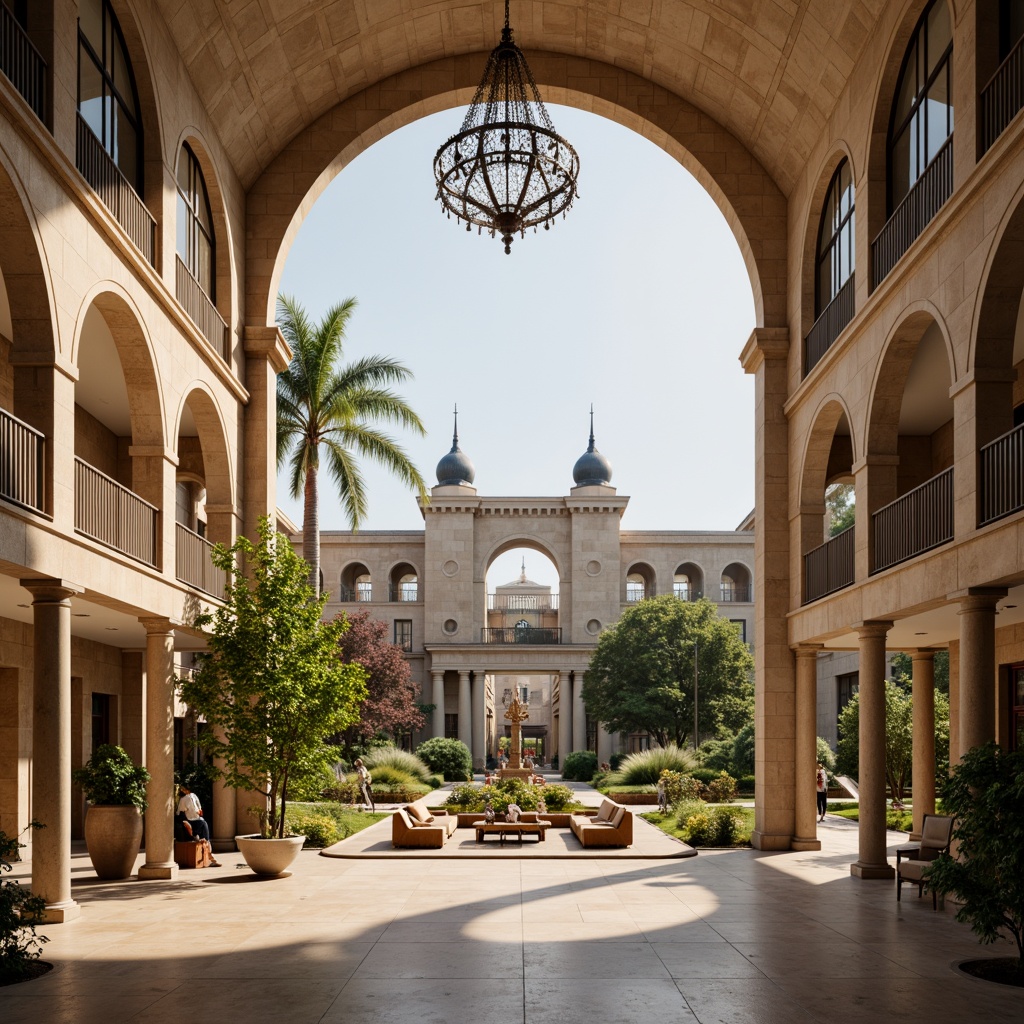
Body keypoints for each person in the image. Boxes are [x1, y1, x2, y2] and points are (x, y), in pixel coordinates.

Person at [176, 784, 221, 866]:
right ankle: (209, 856)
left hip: (198, 819)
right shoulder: (183, 799)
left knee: (204, 826)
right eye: (182, 789)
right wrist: (185, 822)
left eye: (184, 789)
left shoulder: (193, 795)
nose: (183, 791)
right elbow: (180, 812)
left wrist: (199, 811)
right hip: (189, 821)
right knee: (201, 825)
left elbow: (199, 807)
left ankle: (209, 855)